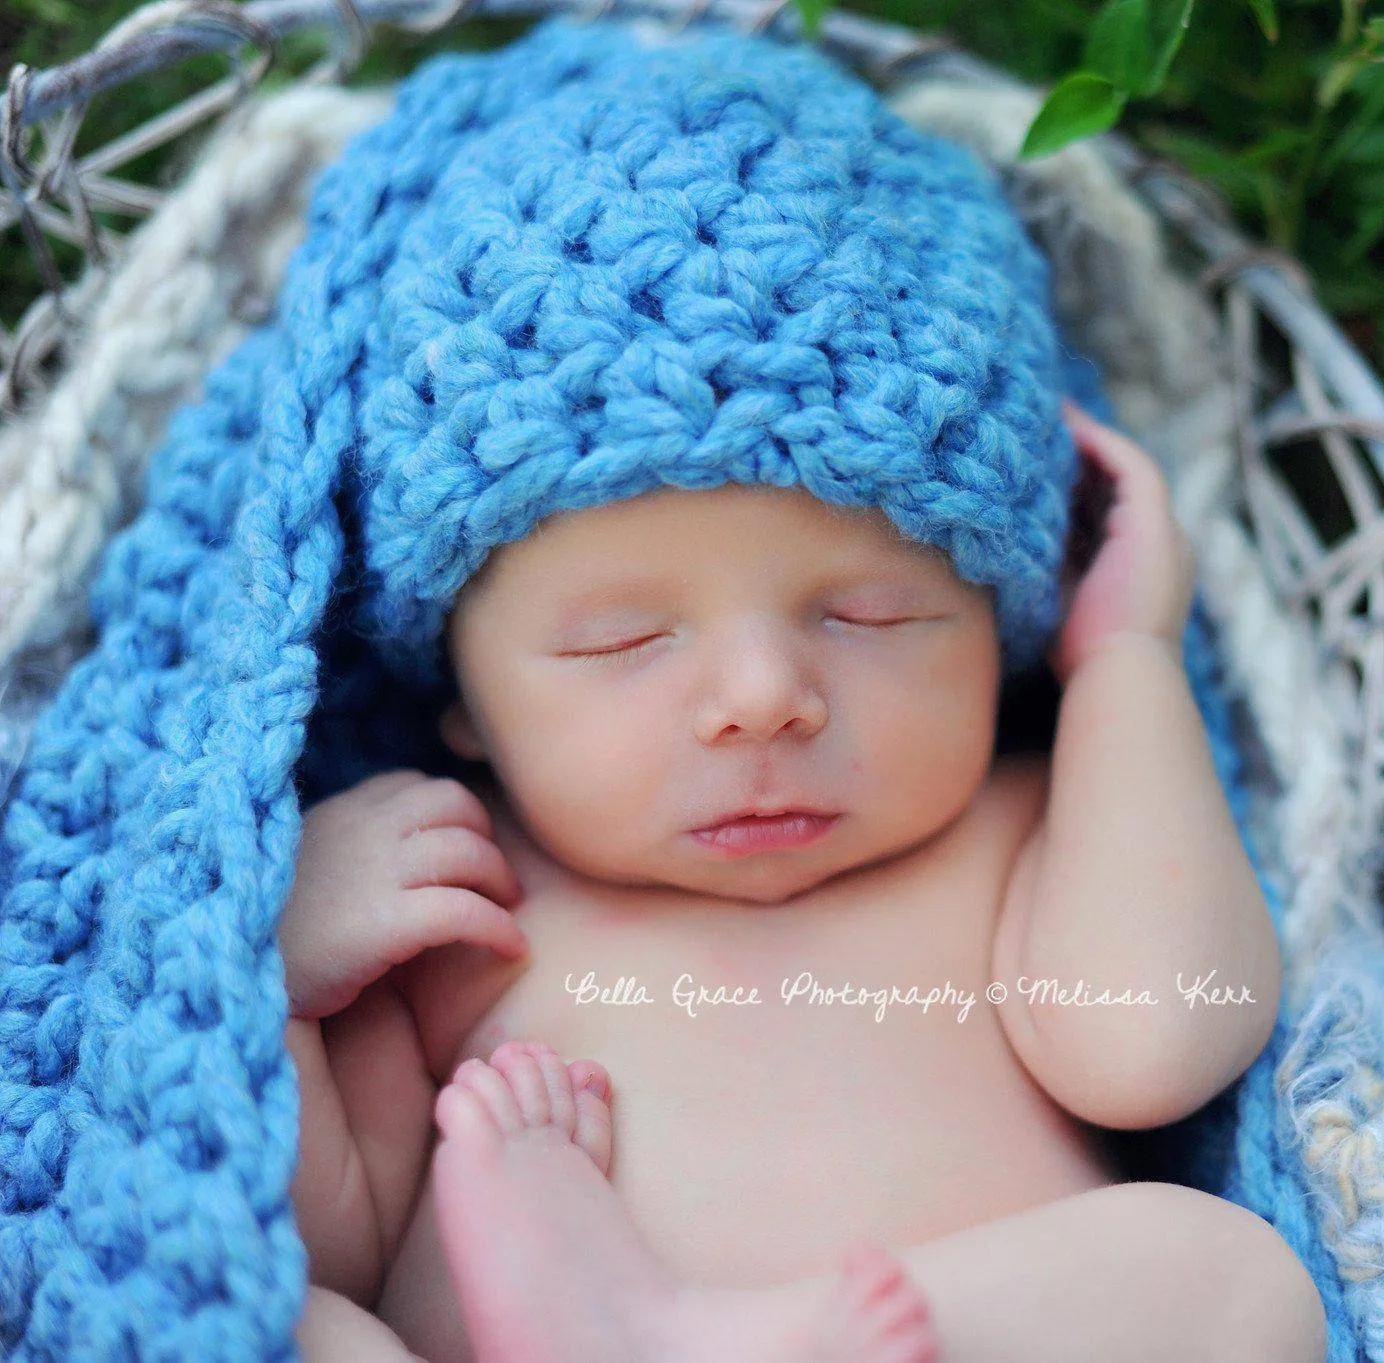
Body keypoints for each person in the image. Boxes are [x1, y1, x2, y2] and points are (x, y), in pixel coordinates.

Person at [215, 16, 1321, 1362]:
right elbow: (318, 1233)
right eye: (622, 639)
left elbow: (1160, 1041)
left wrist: (1127, 661)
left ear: (999, 638)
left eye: (870, 614)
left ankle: (707, 1330)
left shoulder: (1017, 834)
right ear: (466, 704)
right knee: (302, 1324)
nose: (762, 697)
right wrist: (274, 976)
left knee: (1228, 1276)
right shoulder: (452, 900)